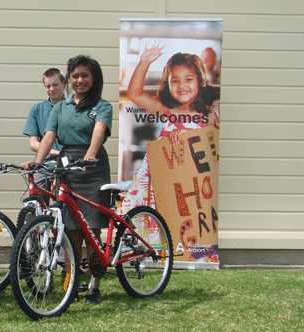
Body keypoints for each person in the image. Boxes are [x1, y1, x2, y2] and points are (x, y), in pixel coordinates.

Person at [22, 55, 113, 305]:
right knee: (72, 232)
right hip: (67, 165)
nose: (80, 80)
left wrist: (90, 154)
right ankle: (73, 283)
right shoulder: (61, 107)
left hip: (92, 168)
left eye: (84, 75)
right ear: (69, 79)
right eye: (75, 76)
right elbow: (49, 136)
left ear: (93, 78)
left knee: (91, 229)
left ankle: (95, 285)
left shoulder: (102, 105)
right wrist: (38, 162)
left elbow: (99, 130)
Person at [119, 41, 219, 214]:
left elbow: (215, 144)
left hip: (191, 182)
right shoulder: (166, 110)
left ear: (199, 80)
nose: (182, 86)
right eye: (175, 81)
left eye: (188, 79)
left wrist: (191, 134)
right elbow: (134, 94)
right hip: (161, 179)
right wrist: (144, 63)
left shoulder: (207, 114)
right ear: (168, 83)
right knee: (155, 220)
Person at [22, 68, 66, 200]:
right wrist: (57, 153)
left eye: (55, 84)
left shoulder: (73, 108)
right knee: (35, 203)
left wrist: (62, 158)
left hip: (67, 165)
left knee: (65, 206)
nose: (51, 89)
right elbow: (34, 144)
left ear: (64, 84)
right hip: (45, 165)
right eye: (48, 86)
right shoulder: (37, 109)